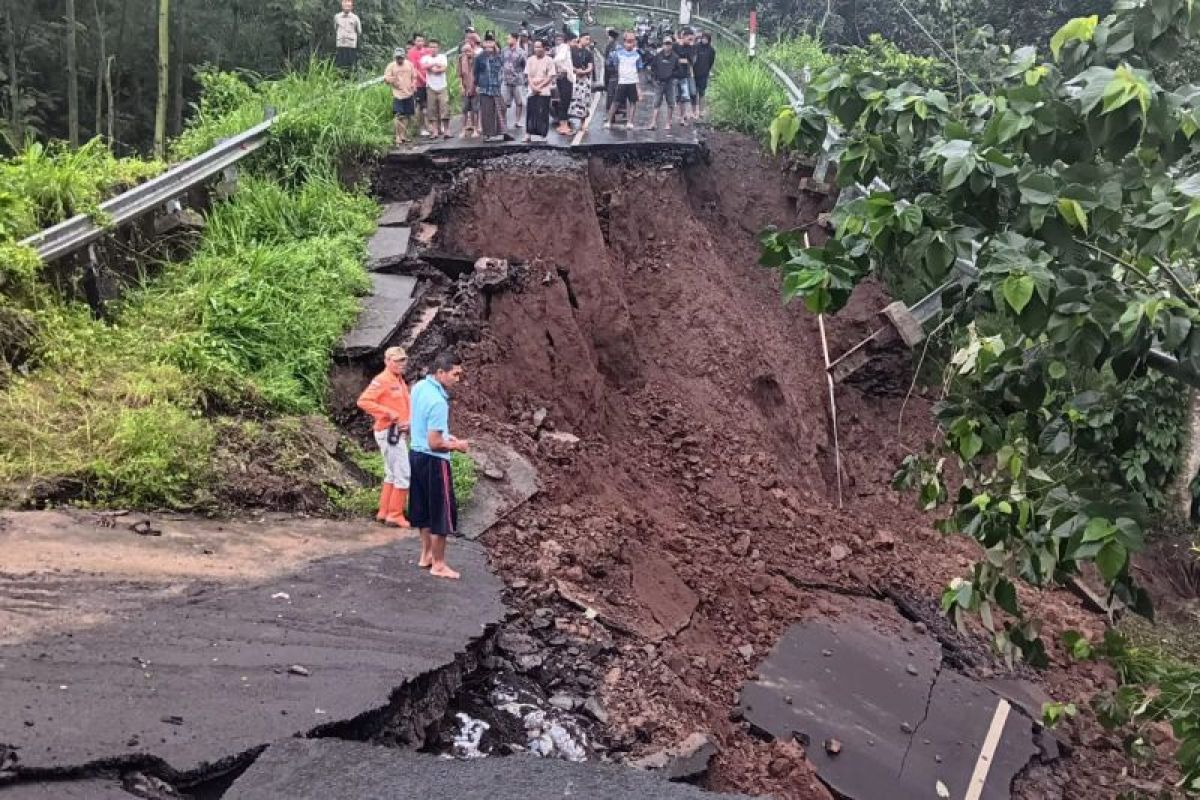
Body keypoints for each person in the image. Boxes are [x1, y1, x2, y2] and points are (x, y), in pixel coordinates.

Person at [408, 351, 470, 580]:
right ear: (441, 372)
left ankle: (426, 555)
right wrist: (457, 445)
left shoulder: (419, 388)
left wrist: (445, 436)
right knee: (441, 512)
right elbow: (435, 443)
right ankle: (439, 564)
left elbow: (421, 423)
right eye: (455, 374)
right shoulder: (438, 402)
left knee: (423, 509)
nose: (458, 379)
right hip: (434, 462)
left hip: (416, 455)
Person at [357, 347, 412, 528]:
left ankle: (384, 512)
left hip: (396, 431)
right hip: (389, 432)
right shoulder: (382, 380)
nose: (401, 364)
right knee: (403, 474)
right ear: (387, 361)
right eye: (397, 361)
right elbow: (363, 401)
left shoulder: (399, 379)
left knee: (391, 473)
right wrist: (388, 413)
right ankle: (395, 515)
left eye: (403, 360)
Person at [605, 32, 642, 130]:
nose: (630, 44)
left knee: (633, 102)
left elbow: (639, 68)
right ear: (624, 42)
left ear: (634, 42)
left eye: (632, 41)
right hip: (622, 81)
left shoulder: (637, 55)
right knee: (615, 101)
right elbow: (611, 62)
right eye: (628, 41)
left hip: (632, 81)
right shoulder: (618, 53)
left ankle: (630, 122)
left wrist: (638, 86)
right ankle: (609, 121)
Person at [475, 35, 506, 141]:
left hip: (496, 87)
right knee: (486, 111)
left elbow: (503, 67)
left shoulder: (499, 56)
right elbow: (476, 72)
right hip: (485, 87)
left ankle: (501, 131)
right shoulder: (479, 57)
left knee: (502, 108)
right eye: (487, 42)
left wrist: (497, 52)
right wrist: (476, 85)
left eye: (491, 42)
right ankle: (487, 134)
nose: (489, 44)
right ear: (483, 43)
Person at [384, 47, 417, 146]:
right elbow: (386, 79)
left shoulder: (409, 64)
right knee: (398, 115)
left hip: (408, 93)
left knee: (407, 115)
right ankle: (397, 136)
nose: (399, 60)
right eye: (398, 58)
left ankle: (403, 135)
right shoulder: (391, 66)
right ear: (395, 57)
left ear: (404, 57)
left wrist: (413, 84)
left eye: (401, 58)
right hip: (398, 95)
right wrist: (393, 80)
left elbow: (414, 76)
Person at [524, 38, 555, 141]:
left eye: (539, 47)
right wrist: (533, 87)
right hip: (532, 89)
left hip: (544, 90)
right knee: (530, 112)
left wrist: (540, 87)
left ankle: (543, 135)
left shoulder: (549, 60)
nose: (537, 49)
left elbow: (550, 76)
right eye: (535, 47)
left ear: (544, 48)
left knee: (543, 113)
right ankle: (528, 134)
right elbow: (528, 75)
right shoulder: (530, 60)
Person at [648, 36, 679, 131]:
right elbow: (653, 68)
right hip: (659, 82)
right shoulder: (658, 56)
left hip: (670, 83)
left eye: (669, 44)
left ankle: (668, 123)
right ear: (663, 45)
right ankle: (653, 122)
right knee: (656, 103)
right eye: (666, 44)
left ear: (671, 45)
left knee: (671, 103)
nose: (667, 46)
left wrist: (671, 76)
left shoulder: (675, 57)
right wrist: (654, 79)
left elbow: (679, 70)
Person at [421, 39, 451, 139]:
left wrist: (432, 67)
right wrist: (435, 65)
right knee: (432, 109)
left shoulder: (442, 57)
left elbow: (443, 68)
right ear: (428, 48)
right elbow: (423, 66)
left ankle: (446, 130)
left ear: (438, 48)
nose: (433, 49)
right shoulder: (425, 58)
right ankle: (435, 131)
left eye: (435, 47)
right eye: (431, 47)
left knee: (444, 108)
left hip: (442, 86)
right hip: (430, 87)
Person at [568, 32, 594, 132]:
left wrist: (583, 72)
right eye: (586, 39)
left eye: (589, 39)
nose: (588, 41)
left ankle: (583, 123)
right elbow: (568, 63)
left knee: (584, 101)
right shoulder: (572, 50)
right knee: (571, 99)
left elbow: (590, 67)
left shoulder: (588, 52)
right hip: (573, 77)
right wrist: (575, 70)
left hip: (584, 79)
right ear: (580, 38)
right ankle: (568, 122)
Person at [408, 34, 432, 137]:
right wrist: (424, 79)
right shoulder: (411, 52)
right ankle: (422, 128)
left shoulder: (428, 51)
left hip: (430, 82)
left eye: (422, 40)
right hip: (419, 84)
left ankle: (432, 126)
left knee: (430, 105)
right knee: (421, 107)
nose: (420, 43)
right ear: (414, 41)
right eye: (418, 41)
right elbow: (414, 69)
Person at [501, 32, 527, 128]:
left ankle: (518, 121)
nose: (507, 40)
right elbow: (501, 62)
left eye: (509, 38)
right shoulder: (504, 50)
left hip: (517, 81)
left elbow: (525, 65)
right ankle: (503, 122)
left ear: (515, 39)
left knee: (519, 102)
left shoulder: (521, 52)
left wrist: (521, 75)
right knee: (503, 102)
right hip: (506, 80)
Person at [552, 32, 575, 136]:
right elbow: (557, 60)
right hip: (565, 77)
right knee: (565, 101)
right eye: (574, 41)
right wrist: (563, 68)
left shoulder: (560, 48)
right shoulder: (564, 47)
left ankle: (563, 125)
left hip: (563, 77)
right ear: (569, 41)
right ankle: (563, 126)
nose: (575, 43)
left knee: (564, 100)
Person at [458, 33, 480, 138]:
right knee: (464, 110)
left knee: (475, 110)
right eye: (465, 51)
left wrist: (477, 86)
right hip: (465, 87)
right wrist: (461, 86)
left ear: (472, 50)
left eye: (469, 51)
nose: (467, 53)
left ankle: (475, 129)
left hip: (475, 87)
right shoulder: (461, 59)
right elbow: (459, 75)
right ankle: (463, 130)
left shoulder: (477, 59)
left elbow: (480, 74)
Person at [674, 28, 696, 124]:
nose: (691, 41)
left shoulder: (691, 48)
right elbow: (673, 58)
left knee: (685, 96)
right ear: (683, 37)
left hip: (685, 75)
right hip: (675, 75)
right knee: (676, 97)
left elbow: (690, 61)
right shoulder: (675, 46)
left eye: (692, 39)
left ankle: (683, 116)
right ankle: (678, 116)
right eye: (689, 39)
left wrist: (680, 60)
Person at [333, 0, 362, 71]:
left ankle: (351, 76)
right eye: (345, 6)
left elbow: (359, 31)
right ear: (342, 6)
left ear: (352, 7)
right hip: (340, 44)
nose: (347, 8)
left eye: (349, 6)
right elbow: (335, 28)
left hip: (351, 45)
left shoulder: (355, 18)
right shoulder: (337, 17)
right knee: (340, 64)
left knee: (350, 65)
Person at [693, 32, 715, 118]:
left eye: (706, 39)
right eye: (703, 38)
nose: (704, 40)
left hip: (704, 74)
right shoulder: (696, 47)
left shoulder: (711, 50)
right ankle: (694, 111)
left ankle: (701, 111)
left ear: (709, 40)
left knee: (702, 93)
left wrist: (707, 70)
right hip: (694, 73)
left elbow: (711, 62)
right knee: (694, 92)